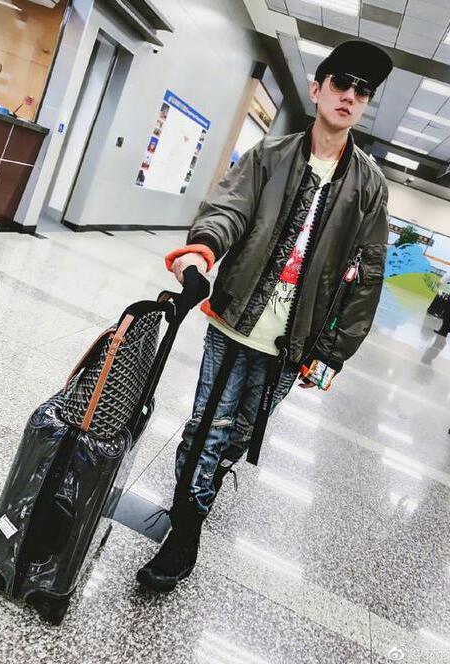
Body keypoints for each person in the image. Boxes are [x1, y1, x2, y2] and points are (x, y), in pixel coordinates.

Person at [137, 41, 393, 592]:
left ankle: (197, 498)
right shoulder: (270, 157)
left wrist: (332, 353)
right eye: (341, 83)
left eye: (363, 91)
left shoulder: (370, 187)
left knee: (238, 435)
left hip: (292, 342)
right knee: (206, 429)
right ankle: (184, 533)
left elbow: (368, 273)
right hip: (234, 319)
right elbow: (228, 209)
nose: (350, 96)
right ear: (318, 89)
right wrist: (202, 250)